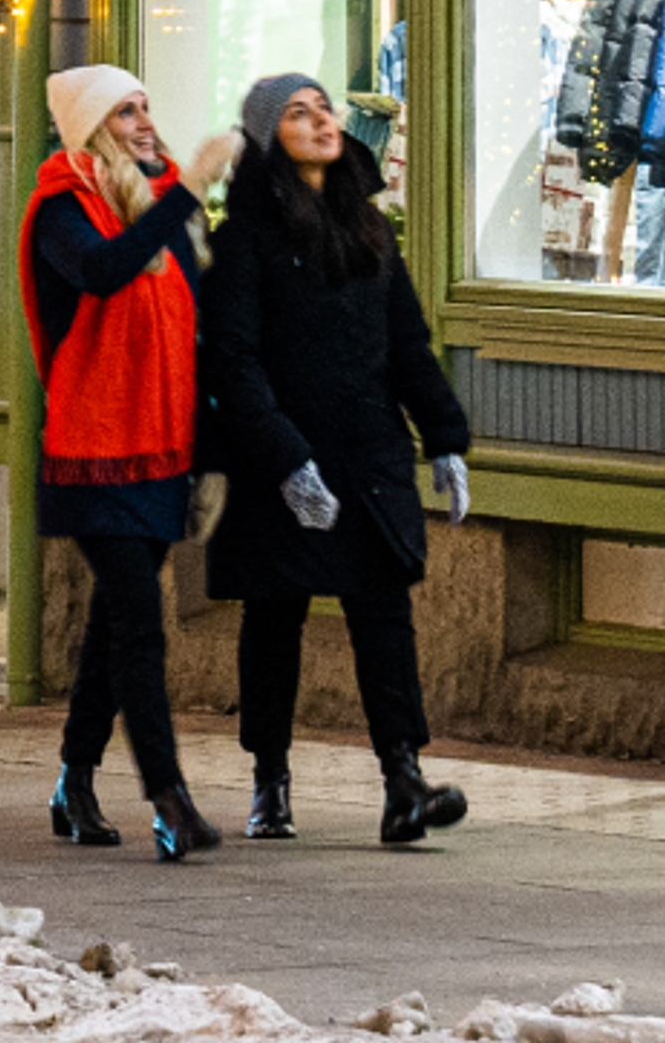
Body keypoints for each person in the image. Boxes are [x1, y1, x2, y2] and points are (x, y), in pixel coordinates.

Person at [200, 73, 478, 848]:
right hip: (280, 457)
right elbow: (233, 362)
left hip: (368, 453)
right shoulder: (244, 241)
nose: (321, 120)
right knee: (276, 617)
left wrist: (446, 441)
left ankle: (403, 781)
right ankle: (269, 782)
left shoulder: (368, 231)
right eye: (297, 112)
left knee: (384, 613)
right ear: (266, 138)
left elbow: (407, 347)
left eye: (323, 106)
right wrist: (287, 461)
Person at [19, 61, 224, 862]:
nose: (145, 121)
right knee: (140, 620)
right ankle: (170, 801)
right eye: (125, 112)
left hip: (161, 448)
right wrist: (188, 191)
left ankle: (74, 777)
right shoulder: (61, 210)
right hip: (93, 451)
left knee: (115, 622)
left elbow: (192, 330)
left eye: (146, 106)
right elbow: (104, 274)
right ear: (92, 129)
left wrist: (207, 456)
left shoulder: (159, 199)